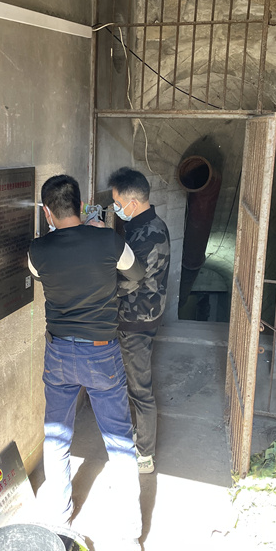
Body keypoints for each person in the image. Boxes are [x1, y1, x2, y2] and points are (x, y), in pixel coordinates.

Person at [28, 174, 145, 551]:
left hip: (59, 354)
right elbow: (136, 272)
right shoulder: (108, 240)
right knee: (120, 441)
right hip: (101, 353)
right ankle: (129, 535)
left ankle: (59, 518)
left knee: (56, 436)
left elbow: (38, 274)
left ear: (47, 211)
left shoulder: (37, 250)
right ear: (80, 206)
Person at [107, 167, 171, 475]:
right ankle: (140, 439)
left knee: (140, 389)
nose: (115, 209)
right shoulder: (152, 224)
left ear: (133, 202)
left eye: (117, 203)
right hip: (147, 314)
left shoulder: (145, 236)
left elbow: (128, 282)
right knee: (136, 382)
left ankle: (145, 454)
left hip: (136, 319)